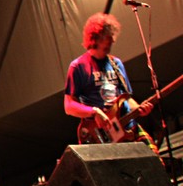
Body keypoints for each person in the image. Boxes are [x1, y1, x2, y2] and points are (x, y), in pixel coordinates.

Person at [64, 12, 155, 149]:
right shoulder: (78, 67)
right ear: (95, 38)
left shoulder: (116, 63)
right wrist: (94, 112)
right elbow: (69, 106)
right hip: (102, 134)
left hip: (128, 127)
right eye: (106, 36)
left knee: (154, 158)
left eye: (111, 35)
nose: (111, 40)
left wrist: (140, 109)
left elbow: (126, 98)